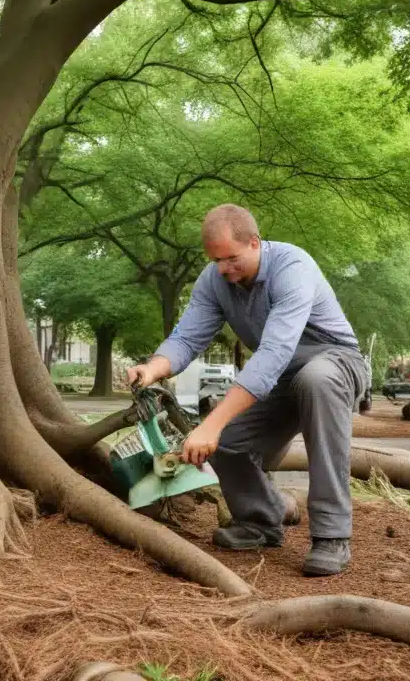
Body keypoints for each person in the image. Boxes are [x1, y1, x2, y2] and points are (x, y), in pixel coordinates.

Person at [127, 204, 368, 577]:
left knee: (313, 381)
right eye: (216, 260)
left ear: (255, 243)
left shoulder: (293, 267)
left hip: (334, 365)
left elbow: (272, 352)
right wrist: (153, 369)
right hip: (281, 377)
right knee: (225, 441)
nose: (224, 269)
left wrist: (211, 424)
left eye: (231, 258)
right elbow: (188, 337)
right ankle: (261, 521)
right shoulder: (215, 280)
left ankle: (332, 536)